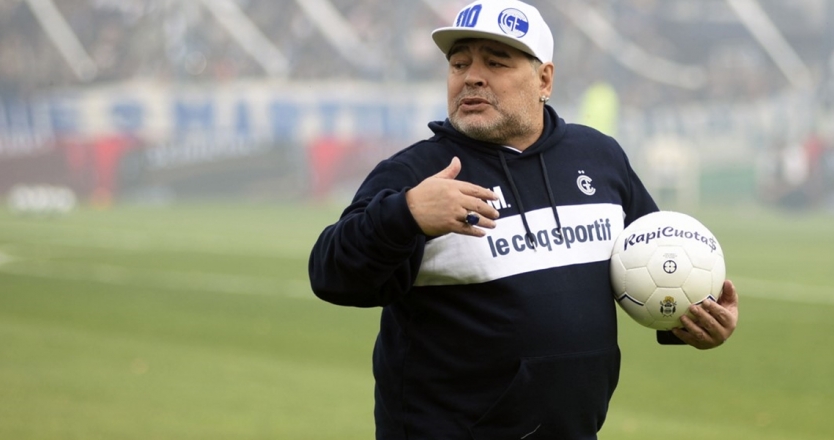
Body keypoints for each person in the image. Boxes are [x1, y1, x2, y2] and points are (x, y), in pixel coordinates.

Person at [308, 1, 739, 438]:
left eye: (496, 62)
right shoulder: (416, 173)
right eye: (459, 63)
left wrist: (690, 321)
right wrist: (406, 214)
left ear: (544, 79)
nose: (472, 77)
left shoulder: (599, 157)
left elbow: (657, 261)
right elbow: (332, 275)